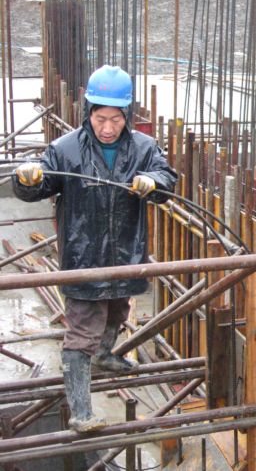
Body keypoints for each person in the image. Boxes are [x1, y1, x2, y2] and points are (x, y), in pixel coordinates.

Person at [13, 65, 177, 432]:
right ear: (88, 112)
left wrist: (152, 181)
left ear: (127, 115)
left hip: (125, 253)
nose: (107, 128)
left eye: (115, 120)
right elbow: (37, 186)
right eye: (100, 118)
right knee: (82, 332)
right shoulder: (65, 149)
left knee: (117, 310)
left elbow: (167, 179)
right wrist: (26, 177)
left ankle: (104, 355)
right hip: (83, 258)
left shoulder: (143, 148)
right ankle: (81, 411)